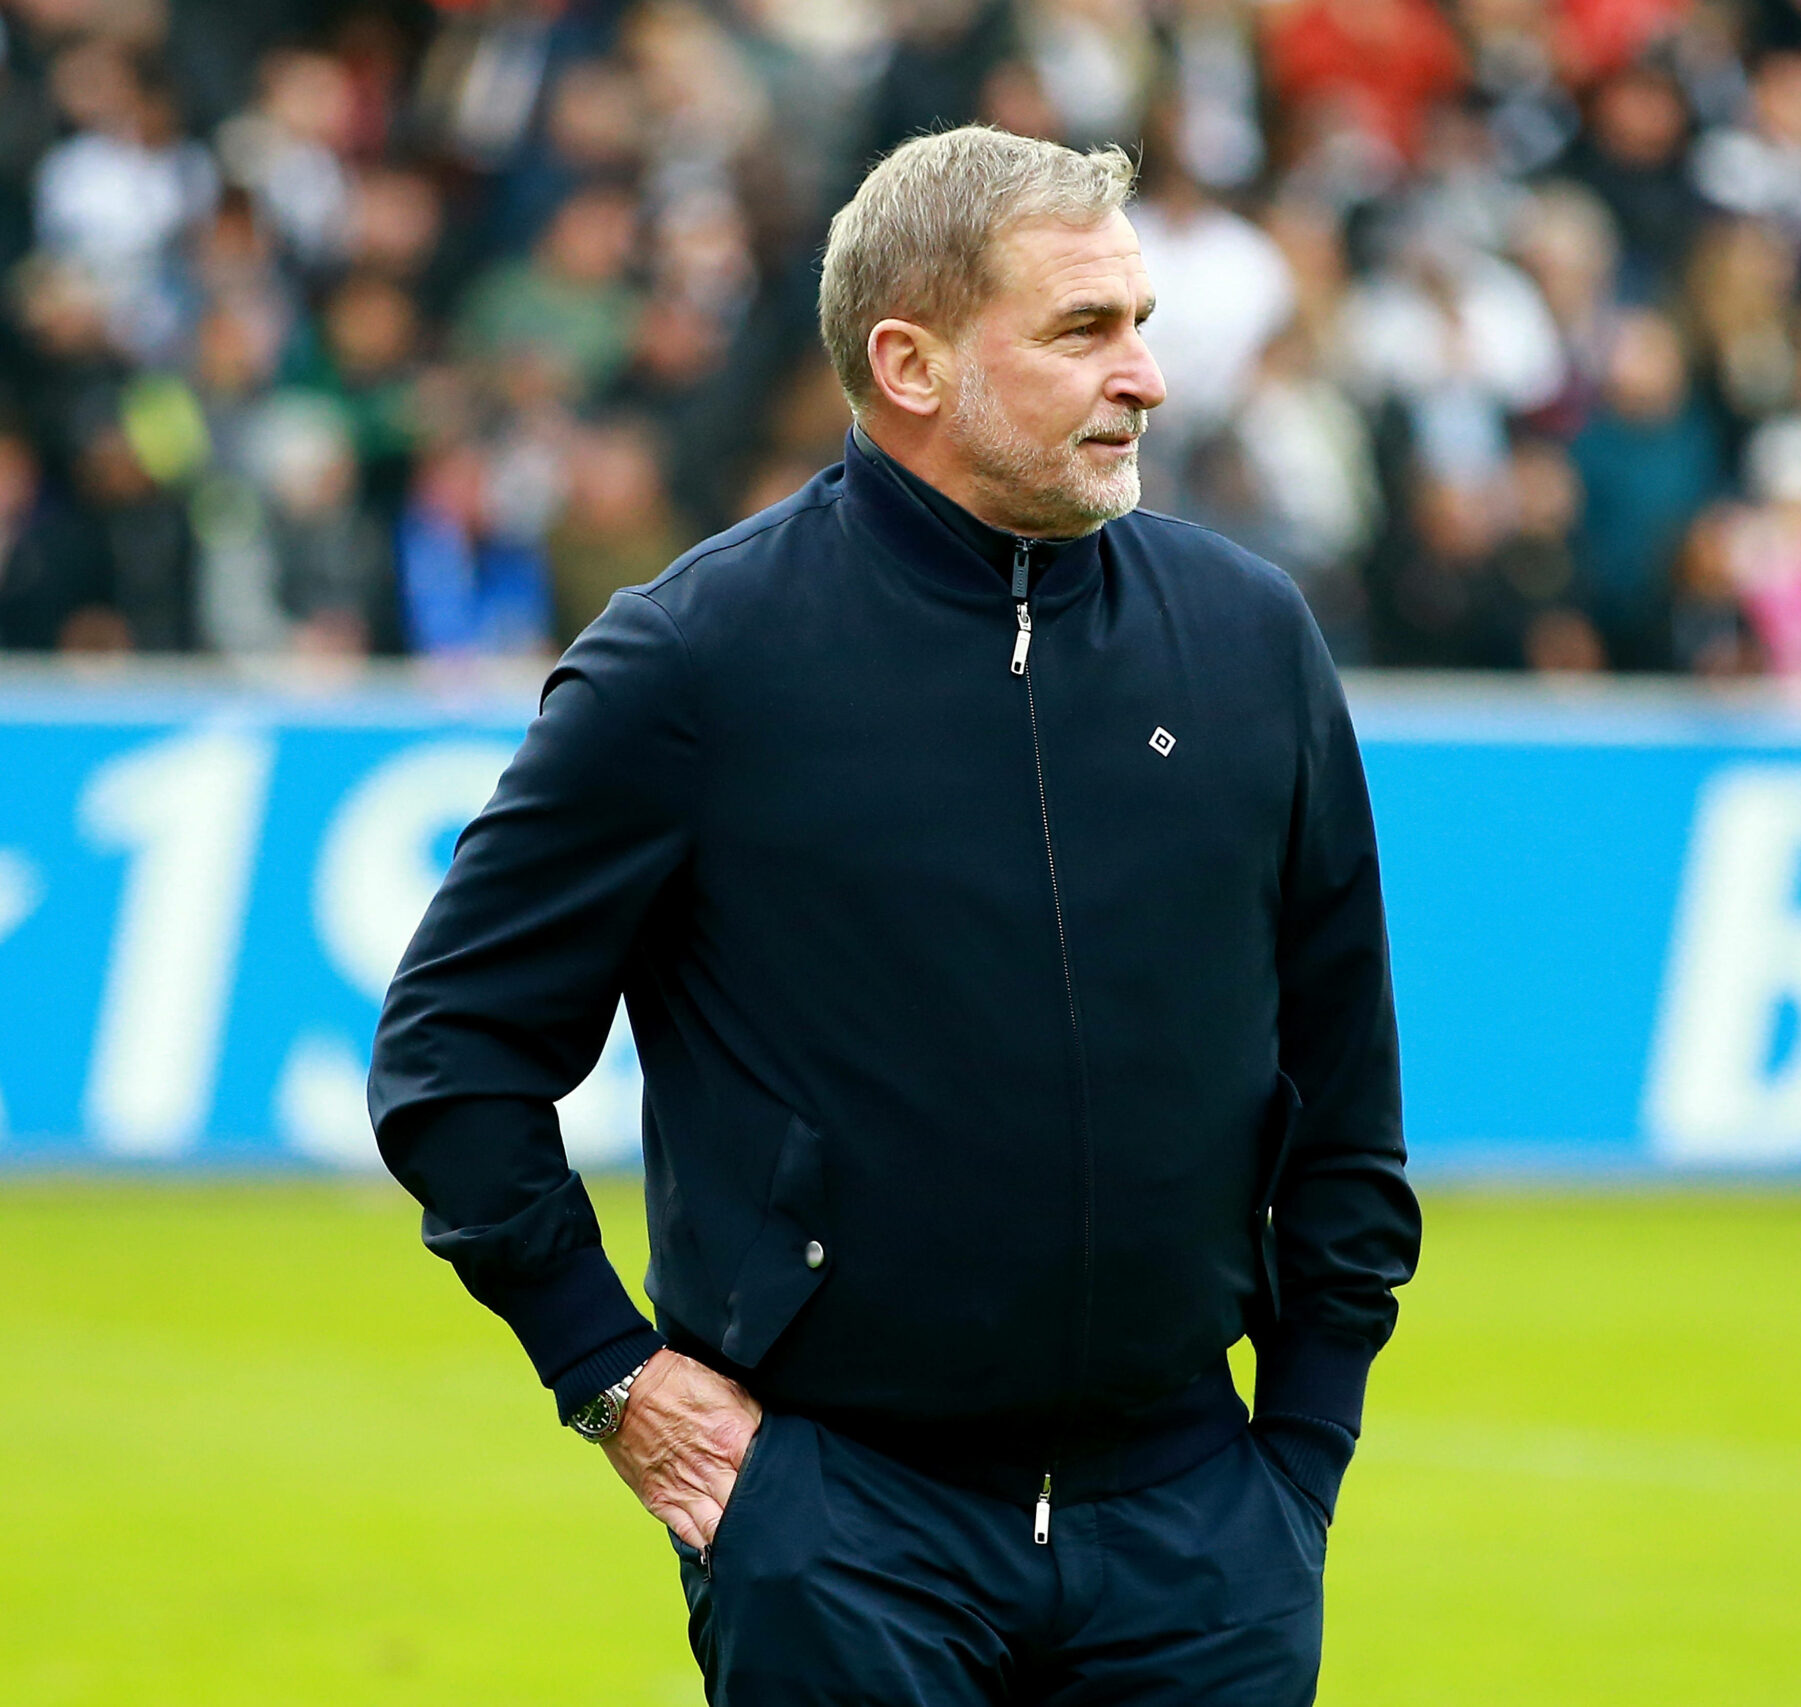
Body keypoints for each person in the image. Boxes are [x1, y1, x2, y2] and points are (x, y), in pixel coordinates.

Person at [367, 124, 1421, 1706]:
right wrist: (611, 1377)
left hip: (1204, 1537)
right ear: (911, 363)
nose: (1145, 375)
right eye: (1084, 330)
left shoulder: (1251, 641)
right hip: (842, 1529)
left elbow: (1345, 1083)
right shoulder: (698, 659)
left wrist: (1305, 1459)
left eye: (1139, 324)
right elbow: (454, 1056)